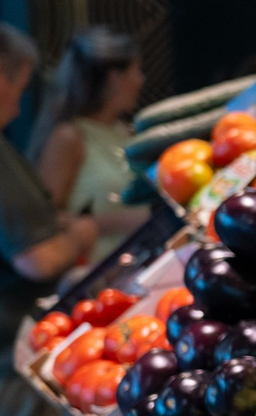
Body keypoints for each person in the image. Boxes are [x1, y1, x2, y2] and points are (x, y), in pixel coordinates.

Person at [0, 23, 98, 416]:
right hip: (5, 369)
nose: (18, 101)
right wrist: (82, 235)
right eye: (17, 85)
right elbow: (36, 254)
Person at [29, 27, 146, 267]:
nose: (141, 80)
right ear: (114, 78)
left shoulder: (125, 131)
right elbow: (46, 221)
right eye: (137, 70)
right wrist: (121, 222)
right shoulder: (69, 137)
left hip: (138, 266)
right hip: (96, 279)